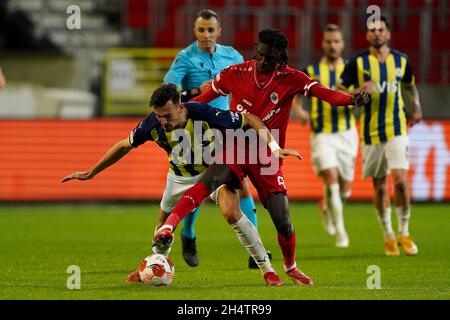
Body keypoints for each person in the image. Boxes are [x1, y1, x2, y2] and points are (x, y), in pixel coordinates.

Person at [152, 29, 369, 285]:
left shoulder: (291, 78)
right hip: (234, 144)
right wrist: (179, 113)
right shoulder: (236, 73)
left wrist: (352, 99)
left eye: (271, 58)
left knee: (283, 219)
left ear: (281, 57)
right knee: (209, 180)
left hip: (267, 154)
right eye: (262, 55)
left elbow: (325, 94)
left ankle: (290, 267)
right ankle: (170, 227)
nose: (265, 61)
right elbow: (204, 98)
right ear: (256, 50)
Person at [62, 83, 302, 286]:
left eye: (167, 115)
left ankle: (267, 269)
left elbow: (249, 119)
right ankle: (151, 266)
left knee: (232, 213)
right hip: (178, 177)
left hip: (213, 173)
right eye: (158, 115)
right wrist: (92, 172)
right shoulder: (151, 125)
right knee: (162, 229)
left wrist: (274, 147)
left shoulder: (204, 113)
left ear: (180, 107)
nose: (162, 121)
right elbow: (124, 145)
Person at [163, 9, 260, 268]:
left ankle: (255, 250)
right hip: (194, 132)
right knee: (197, 187)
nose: (206, 35)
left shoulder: (233, 56)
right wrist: (195, 90)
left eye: (210, 30)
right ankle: (188, 233)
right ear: (195, 32)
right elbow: (167, 96)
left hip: (226, 128)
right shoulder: (184, 58)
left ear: (219, 32)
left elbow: (248, 86)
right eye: (201, 30)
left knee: (243, 184)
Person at [338, 16, 422, 256]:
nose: (376, 33)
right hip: (371, 132)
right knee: (380, 186)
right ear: (367, 35)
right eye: (372, 30)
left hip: (398, 129)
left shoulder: (401, 60)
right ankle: (388, 235)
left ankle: (404, 232)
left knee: (401, 183)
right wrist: (357, 92)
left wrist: (416, 106)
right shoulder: (358, 62)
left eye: (381, 29)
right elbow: (341, 90)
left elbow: (409, 85)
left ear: (388, 33)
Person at [292, 24, 357, 248]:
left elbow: (364, 93)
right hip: (321, 134)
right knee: (330, 176)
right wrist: (299, 110)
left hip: (347, 133)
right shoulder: (311, 69)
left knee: (345, 188)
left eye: (336, 41)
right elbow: (295, 93)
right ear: (323, 43)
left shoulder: (352, 69)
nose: (332, 45)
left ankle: (328, 207)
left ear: (342, 44)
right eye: (329, 41)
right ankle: (341, 232)